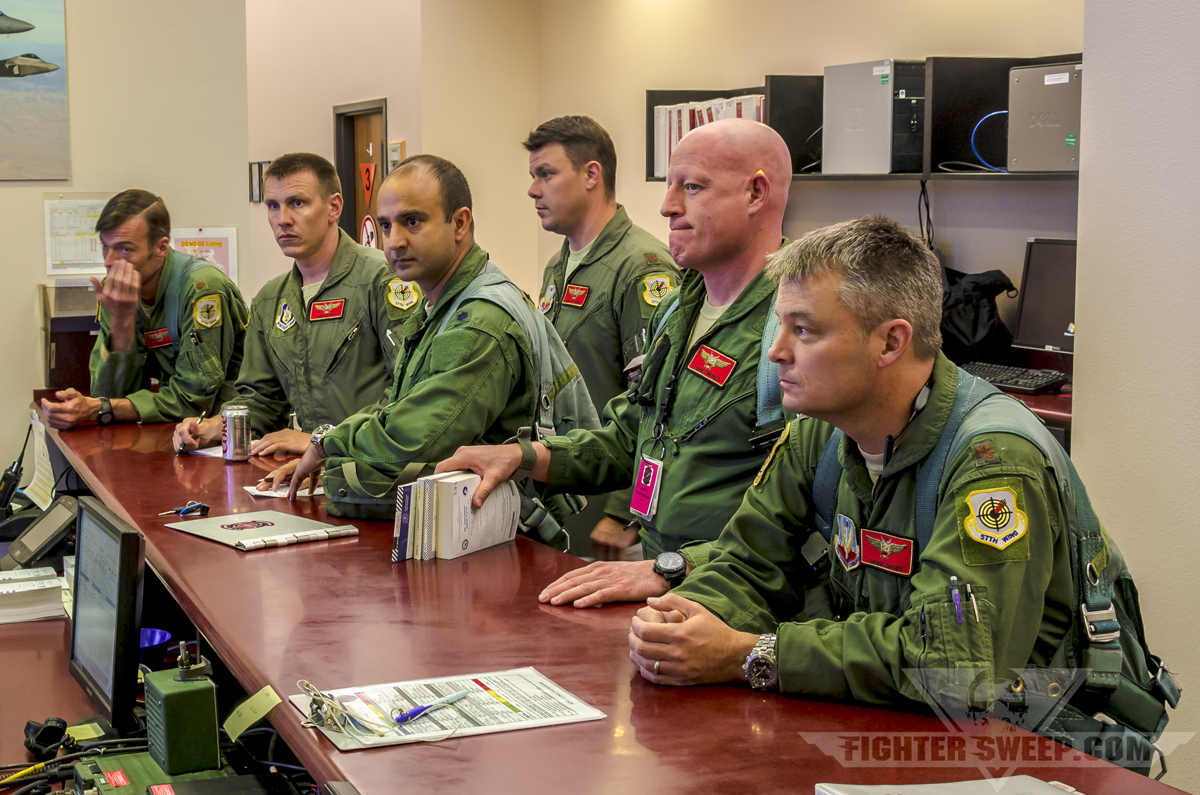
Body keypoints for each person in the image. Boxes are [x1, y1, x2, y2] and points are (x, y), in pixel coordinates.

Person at [621, 217, 1149, 715]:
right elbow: (750, 562)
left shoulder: (992, 462)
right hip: (890, 723)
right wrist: (686, 617)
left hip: (1025, 747)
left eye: (803, 330)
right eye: (779, 326)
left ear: (891, 342)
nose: (776, 352)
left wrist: (753, 654)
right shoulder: (819, 430)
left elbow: (953, 666)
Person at [437, 118, 792, 605]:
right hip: (664, 590)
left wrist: (673, 567)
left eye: (692, 187)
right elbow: (631, 435)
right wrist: (524, 457)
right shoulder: (680, 309)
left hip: (739, 603)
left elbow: (807, 512)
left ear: (755, 193)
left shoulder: (797, 324)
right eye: (670, 186)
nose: (667, 206)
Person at [262, 155, 594, 533]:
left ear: (460, 223)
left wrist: (329, 447)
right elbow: (396, 404)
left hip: (498, 541)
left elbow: (416, 439)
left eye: (413, 222)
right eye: (386, 226)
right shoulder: (442, 305)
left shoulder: (480, 321)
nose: (395, 241)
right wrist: (328, 446)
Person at [173, 153, 419, 456]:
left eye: (297, 203)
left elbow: (408, 389)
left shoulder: (383, 279)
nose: (283, 219)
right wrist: (216, 425)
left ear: (334, 207)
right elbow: (262, 400)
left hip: (376, 465)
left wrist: (325, 440)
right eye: (273, 206)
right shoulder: (269, 299)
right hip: (307, 470)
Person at [524, 115, 679, 558]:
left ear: (592, 174)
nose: (534, 190)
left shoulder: (643, 268)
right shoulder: (561, 264)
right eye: (533, 176)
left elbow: (656, 404)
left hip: (612, 508)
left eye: (547, 174)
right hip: (567, 484)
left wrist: (623, 510)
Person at [42, 190, 247, 429]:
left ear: (161, 248)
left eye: (125, 249)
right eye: (105, 247)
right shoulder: (115, 290)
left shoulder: (202, 289)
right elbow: (111, 397)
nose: (109, 261)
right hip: (173, 425)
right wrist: (122, 322)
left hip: (229, 429)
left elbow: (194, 399)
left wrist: (100, 407)